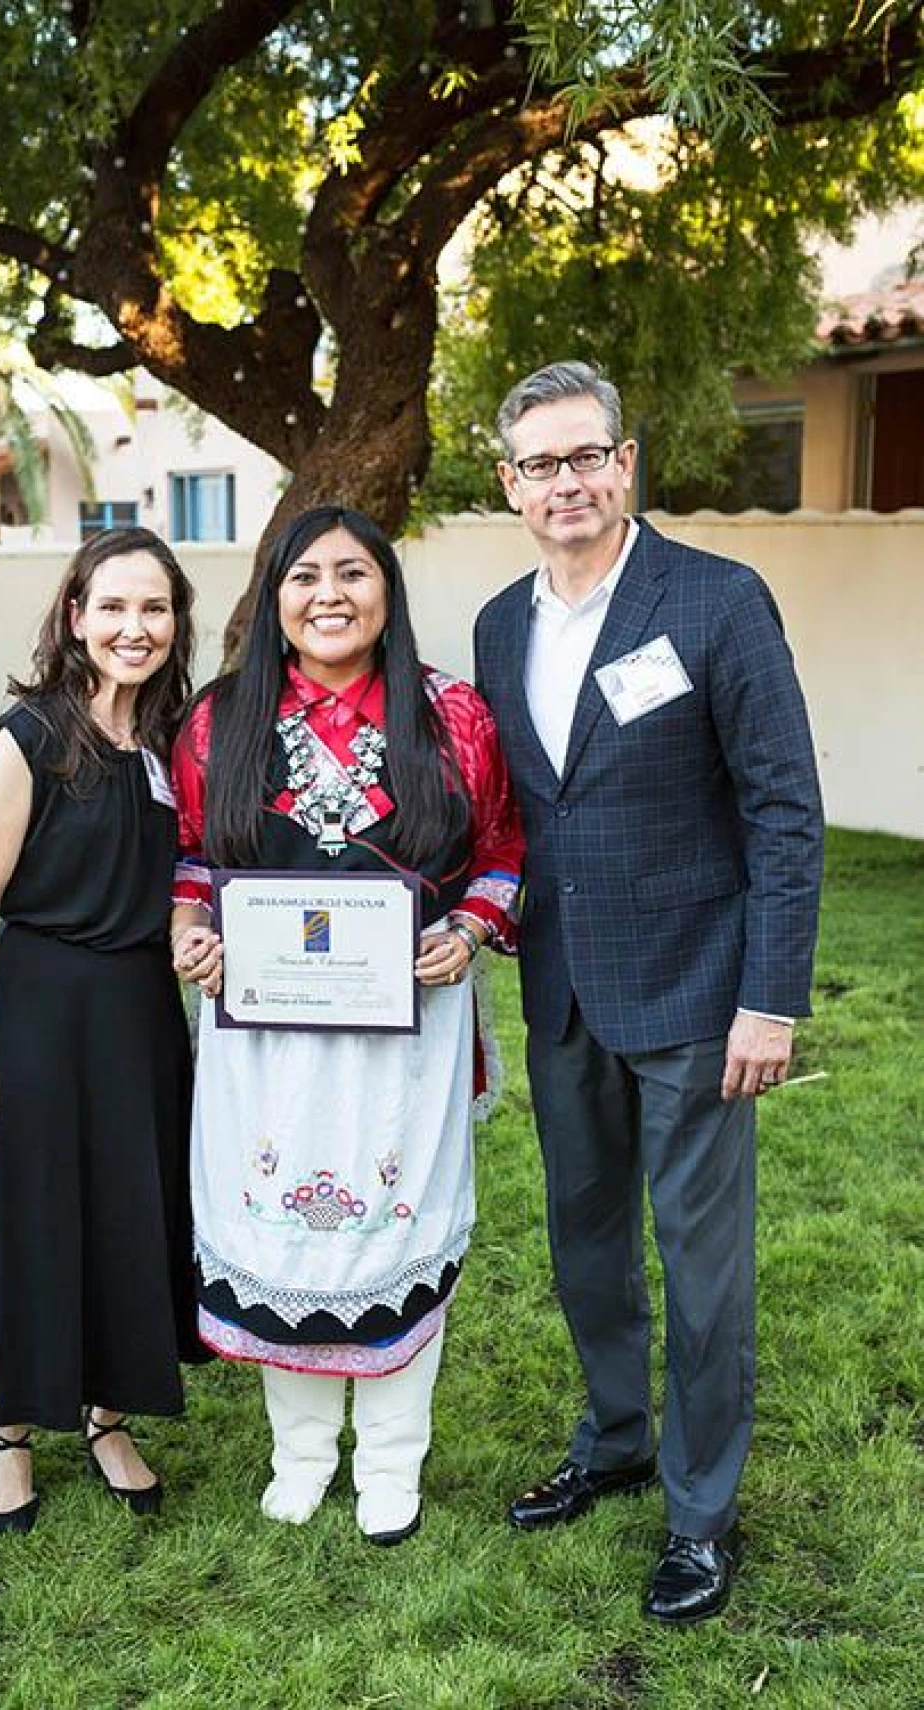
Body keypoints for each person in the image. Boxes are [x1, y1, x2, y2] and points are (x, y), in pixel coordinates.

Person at [474, 361, 823, 1623]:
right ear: (508, 484)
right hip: (563, 986)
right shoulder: (500, 624)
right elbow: (527, 805)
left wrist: (770, 998)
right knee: (585, 1247)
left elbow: (786, 810)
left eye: (587, 457)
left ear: (626, 463)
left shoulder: (718, 602)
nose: (566, 482)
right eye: (540, 464)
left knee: (702, 1263)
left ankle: (700, 1511)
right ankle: (615, 1438)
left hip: (696, 994)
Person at [170, 504, 522, 1545]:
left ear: (387, 591)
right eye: (304, 577)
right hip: (264, 1038)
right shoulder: (219, 718)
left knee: (390, 1226)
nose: (329, 595)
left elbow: (503, 850)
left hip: (410, 1033)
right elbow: (191, 852)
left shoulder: (452, 715)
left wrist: (468, 927)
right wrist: (192, 926)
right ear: (273, 599)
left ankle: (393, 1464)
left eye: (353, 574)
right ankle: (302, 1454)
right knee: (283, 1226)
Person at [0, 526, 204, 1533]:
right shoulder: (30, 736)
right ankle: (9, 1433)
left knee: (129, 1210)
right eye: (114, 607)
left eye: (154, 608)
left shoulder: (178, 740)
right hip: (40, 1009)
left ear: (175, 621)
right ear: (76, 616)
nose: (134, 627)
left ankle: (105, 1414)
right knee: (34, 1211)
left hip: (140, 1014)